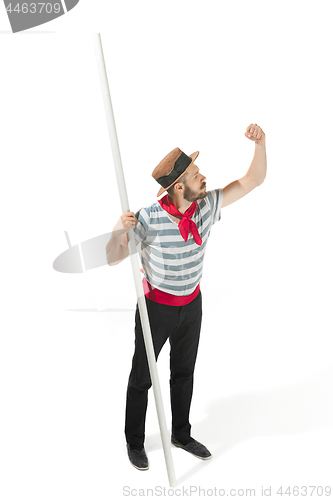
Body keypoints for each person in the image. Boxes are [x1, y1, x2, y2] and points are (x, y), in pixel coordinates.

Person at [106, 124, 267, 471]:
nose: (203, 177)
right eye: (196, 174)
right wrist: (121, 231)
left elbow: (252, 180)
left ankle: (181, 433)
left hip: (192, 305)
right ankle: (134, 441)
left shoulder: (206, 205)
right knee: (142, 376)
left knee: (184, 372)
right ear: (179, 186)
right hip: (156, 309)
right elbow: (112, 257)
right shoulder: (146, 218)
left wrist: (261, 145)